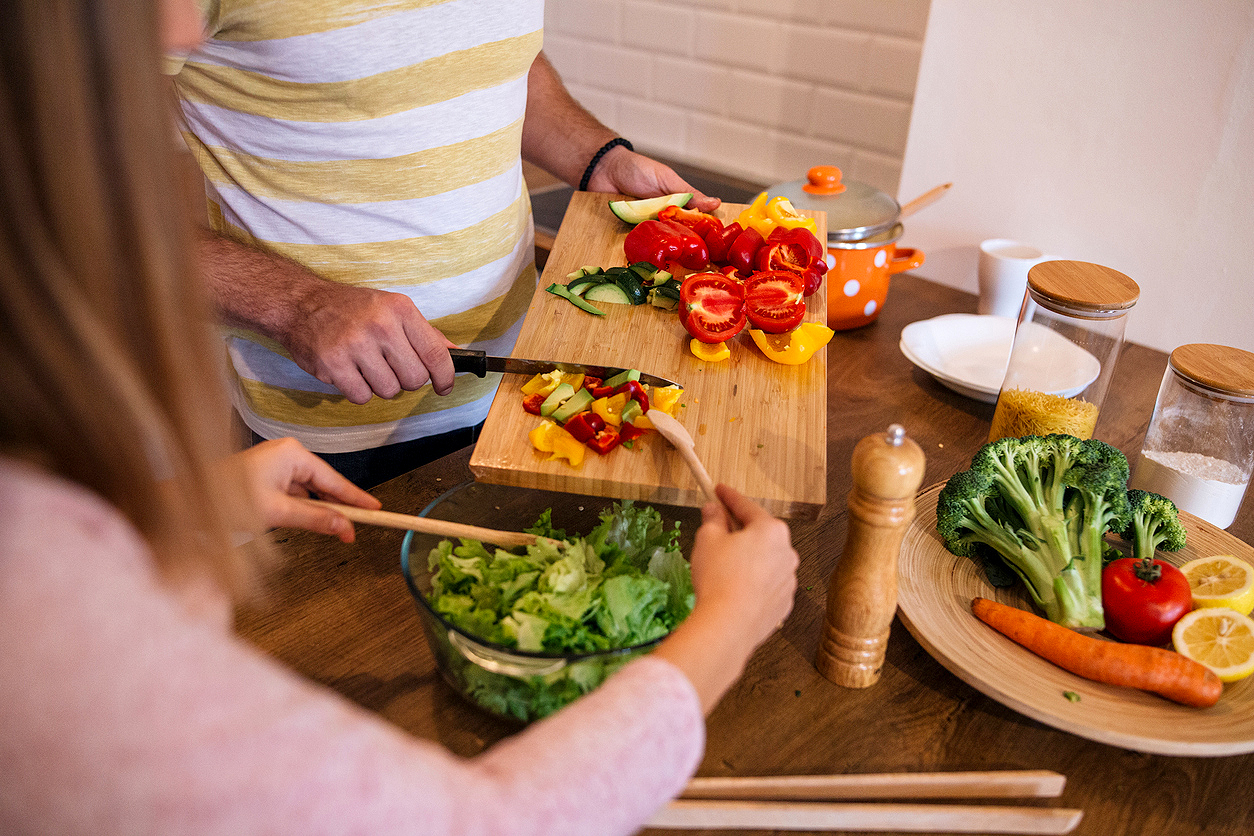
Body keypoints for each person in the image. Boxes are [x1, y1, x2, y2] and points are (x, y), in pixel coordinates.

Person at [0, 1, 800, 832]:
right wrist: (727, 628)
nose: (188, 33)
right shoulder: (41, 598)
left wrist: (595, 156)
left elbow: (496, 59)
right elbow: (481, 817)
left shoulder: (57, 537)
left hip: (513, 404)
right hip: (340, 444)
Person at [167, 1, 721, 488]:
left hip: (521, 381)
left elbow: (502, 59)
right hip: (336, 433)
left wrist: (597, 157)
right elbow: (83, 221)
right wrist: (296, 305)